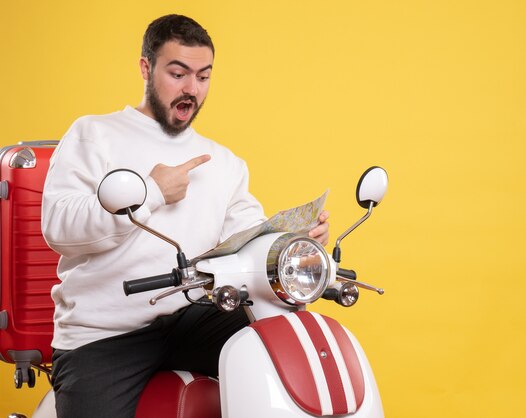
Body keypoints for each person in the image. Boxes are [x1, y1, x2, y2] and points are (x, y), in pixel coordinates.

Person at [41, 14, 330, 418]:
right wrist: (152, 192)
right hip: (104, 334)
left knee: (284, 342)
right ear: (146, 67)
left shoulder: (225, 162)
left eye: (203, 76)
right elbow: (59, 228)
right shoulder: (93, 134)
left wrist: (290, 243)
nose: (191, 89)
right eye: (178, 74)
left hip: (190, 317)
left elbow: (247, 239)